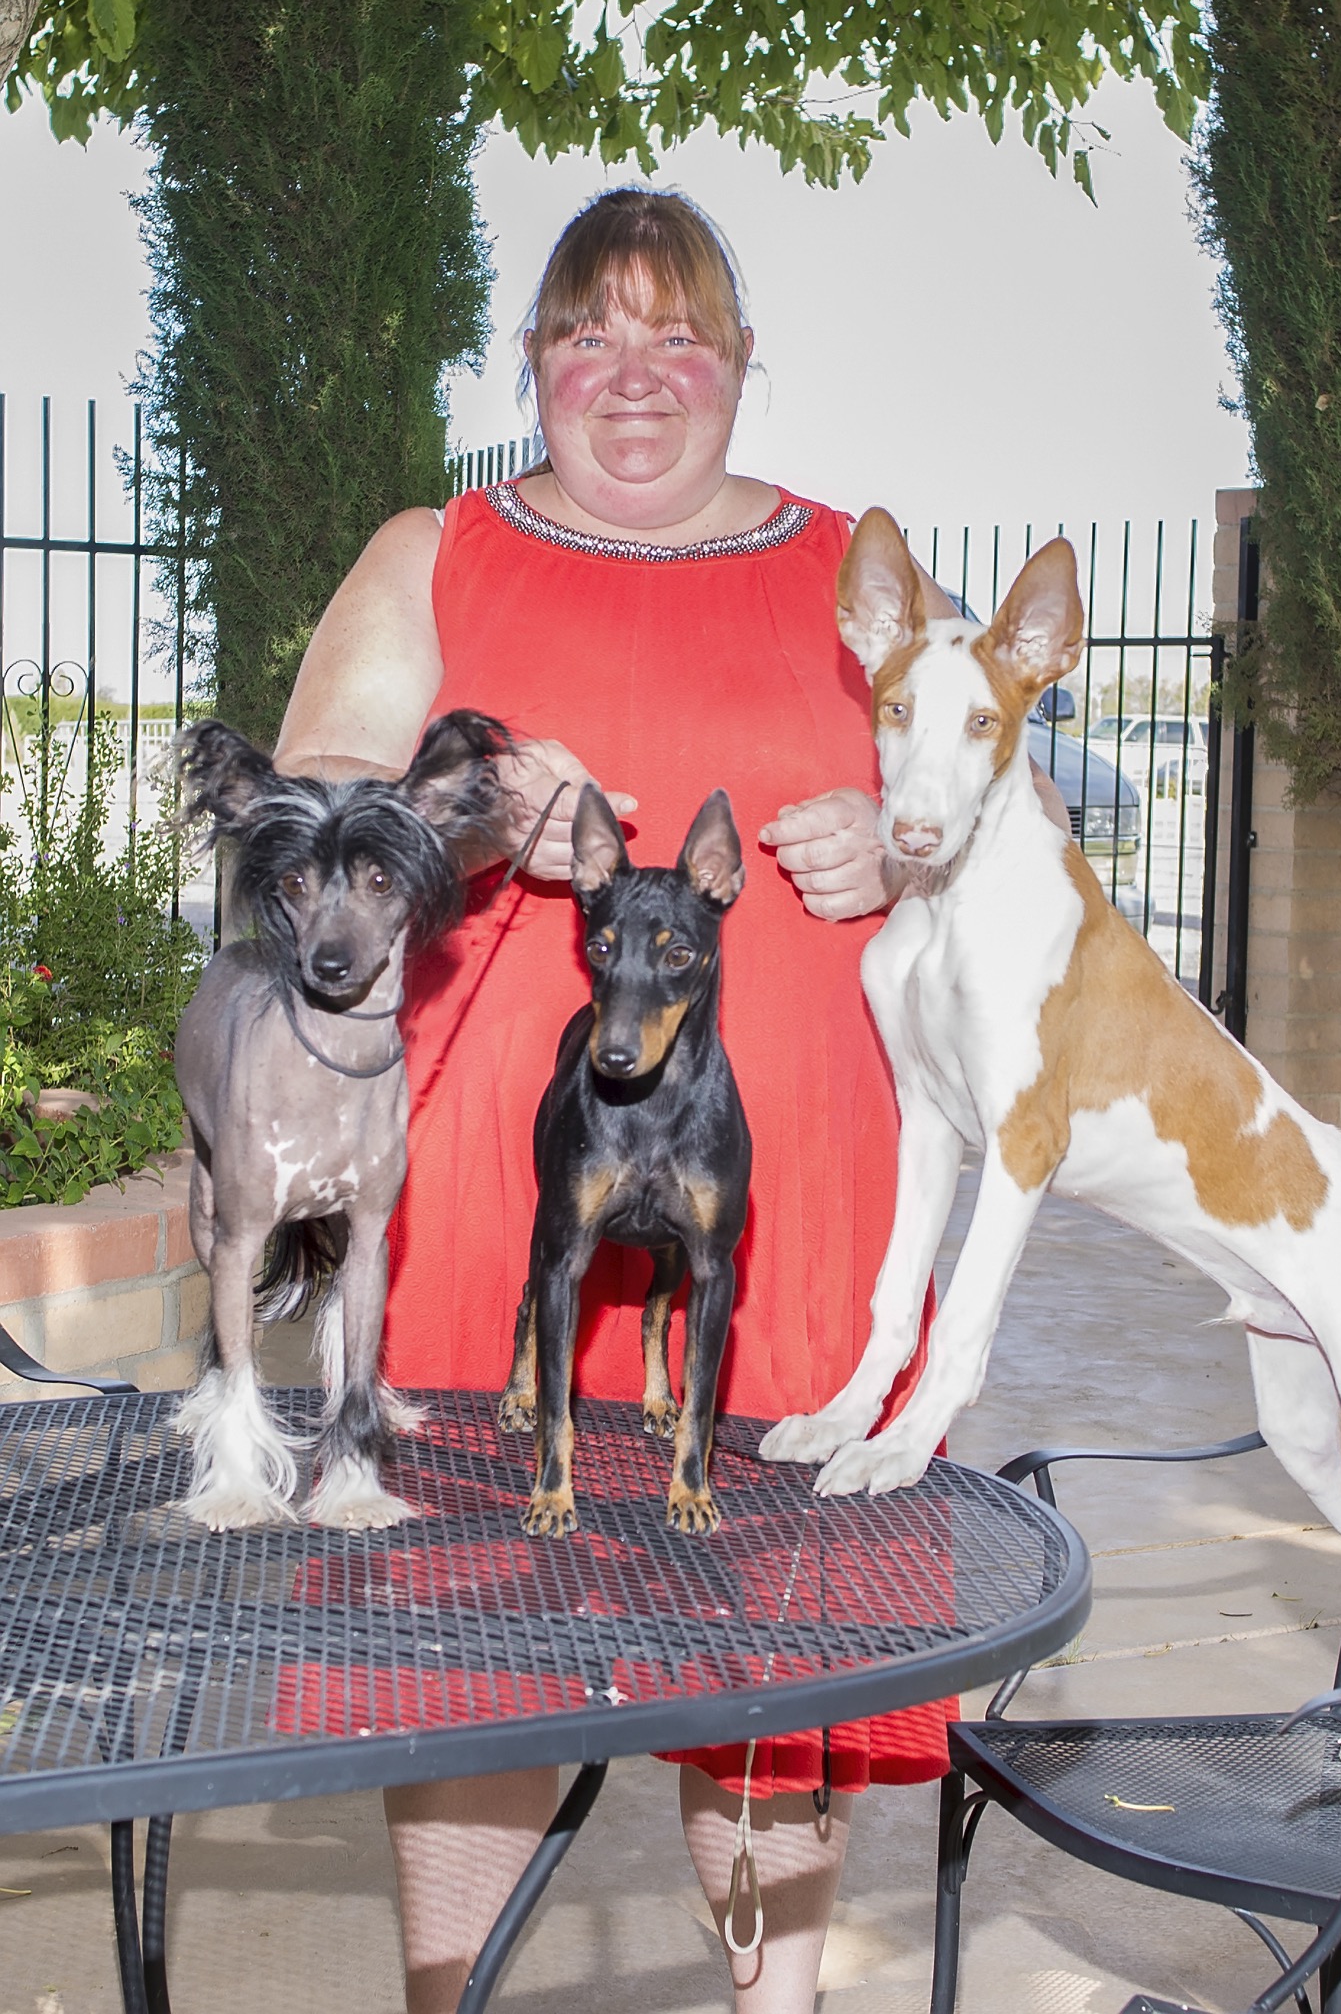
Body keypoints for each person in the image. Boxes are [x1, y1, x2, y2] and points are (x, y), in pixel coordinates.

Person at [275, 186, 1069, 2014]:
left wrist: (910, 839)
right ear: (531, 363)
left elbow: (1017, 825)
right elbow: (311, 813)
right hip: (497, 1191)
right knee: (464, 1649)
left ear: (740, 365)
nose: (632, 374)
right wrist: (472, 798)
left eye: (677, 336)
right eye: (587, 335)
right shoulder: (438, 550)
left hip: (788, 1206)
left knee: (778, 1653)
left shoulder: (853, 573)